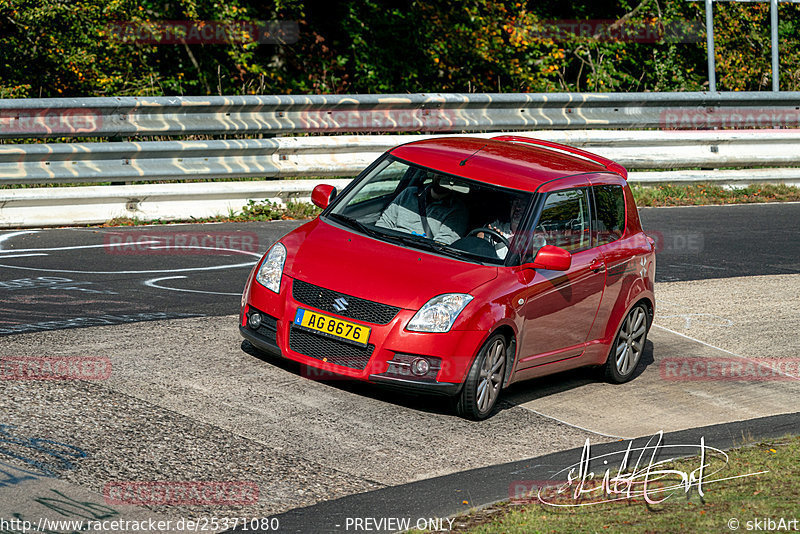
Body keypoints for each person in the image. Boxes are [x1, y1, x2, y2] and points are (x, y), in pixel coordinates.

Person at [375, 176, 468, 245]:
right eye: (440, 174)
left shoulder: (457, 210)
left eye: (449, 177)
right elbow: (383, 224)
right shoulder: (408, 193)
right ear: (432, 174)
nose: (444, 179)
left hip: (420, 254)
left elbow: (441, 244)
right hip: (388, 245)